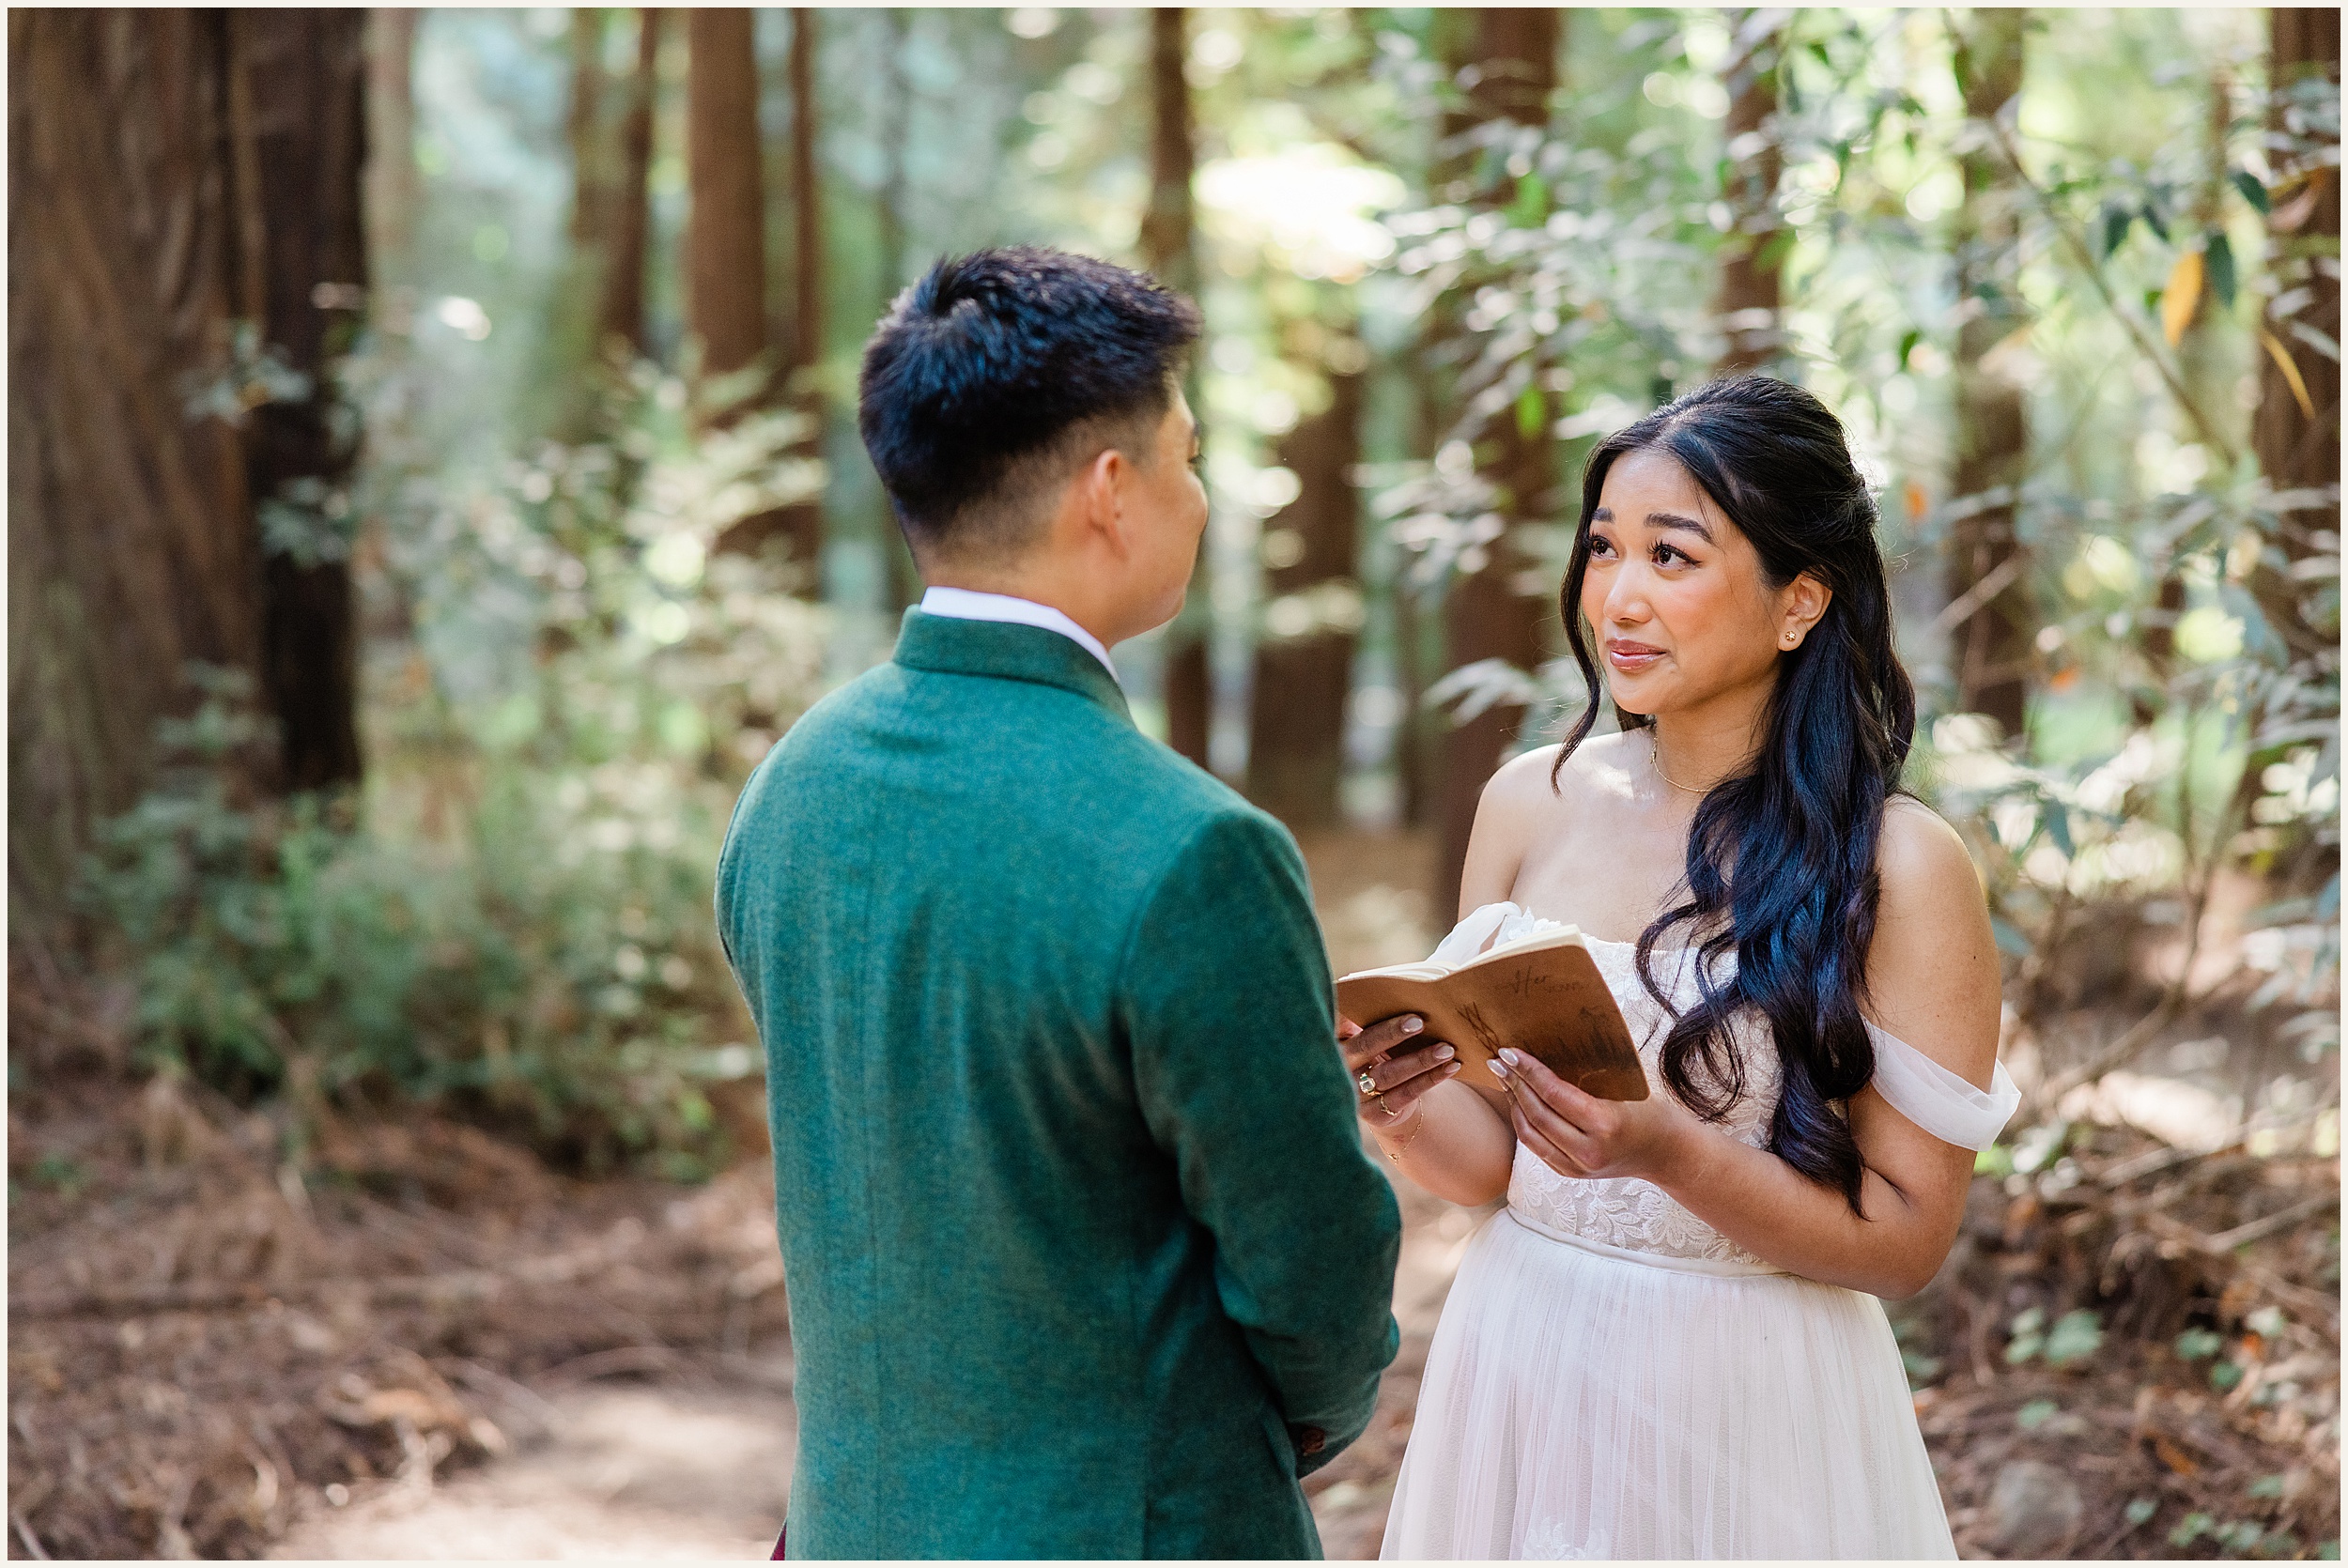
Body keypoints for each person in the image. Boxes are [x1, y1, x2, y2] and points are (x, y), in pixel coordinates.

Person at [715, 247, 1406, 1560]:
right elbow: (1312, 1261)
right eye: (1187, 456)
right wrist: (1299, 1416)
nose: (1200, 498)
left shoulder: (791, 786)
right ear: (1111, 492)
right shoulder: (1193, 850)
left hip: (854, 1518)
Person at [1353, 376, 2019, 1560]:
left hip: (1748, 1395)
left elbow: (1906, 1238)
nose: (1617, 596)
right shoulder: (1529, 801)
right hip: (1520, 1354)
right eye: (1603, 548)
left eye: (1672, 555)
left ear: (1798, 601)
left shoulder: (1903, 864)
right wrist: (1402, 1106)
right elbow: (1501, 1169)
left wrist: (1668, 1150)